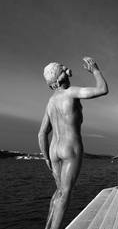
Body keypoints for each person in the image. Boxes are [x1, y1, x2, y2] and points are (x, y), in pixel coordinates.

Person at [38, 57, 108, 229]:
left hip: (54, 150)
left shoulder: (50, 102)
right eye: (63, 68)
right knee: (65, 194)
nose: (66, 68)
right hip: (70, 148)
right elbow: (102, 89)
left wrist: (46, 157)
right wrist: (95, 70)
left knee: (59, 192)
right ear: (61, 76)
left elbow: (41, 134)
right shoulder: (71, 92)